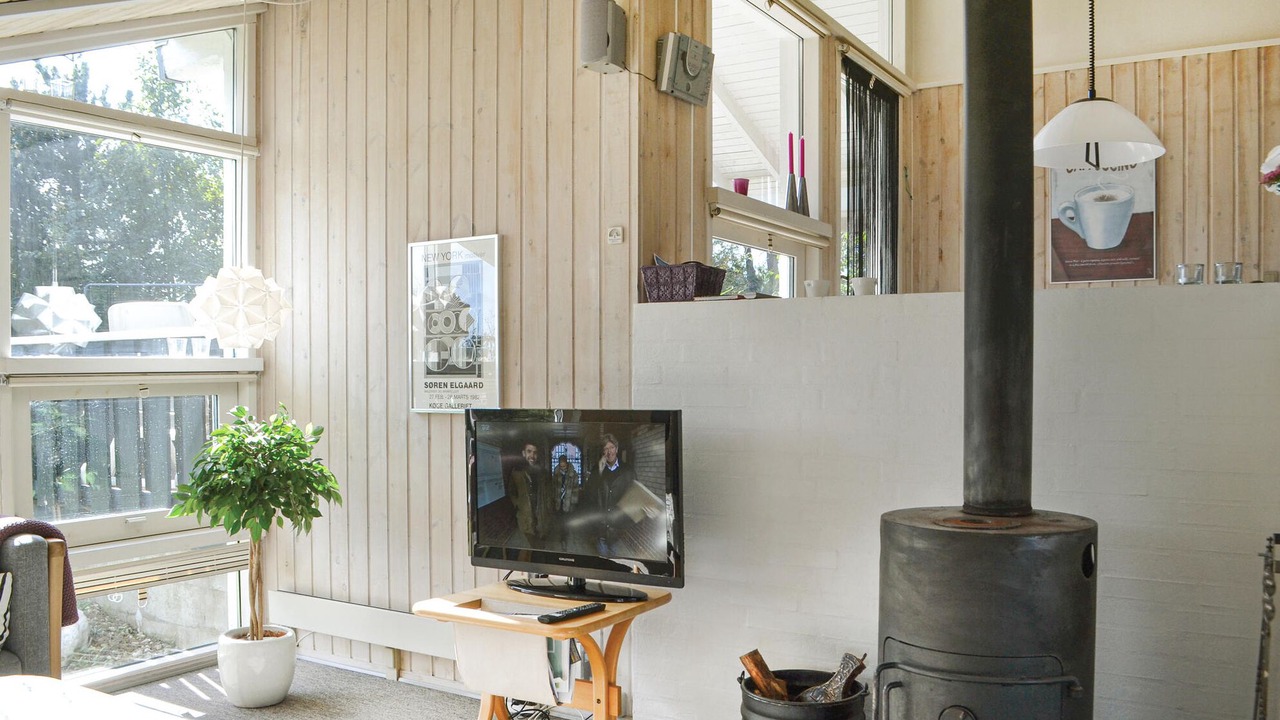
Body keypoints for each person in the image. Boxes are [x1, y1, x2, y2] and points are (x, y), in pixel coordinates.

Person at [587, 434, 639, 556]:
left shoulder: (628, 470)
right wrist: (598, 472)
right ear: (602, 452)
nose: (609, 452)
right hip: (601, 525)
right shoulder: (596, 470)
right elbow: (589, 494)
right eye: (605, 449)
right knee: (603, 561)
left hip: (618, 527)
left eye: (611, 447)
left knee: (615, 560)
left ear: (617, 448)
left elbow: (635, 495)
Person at [507, 441, 549, 542]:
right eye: (529, 451)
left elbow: (548, 491)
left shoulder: (543, 472)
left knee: (542, 537)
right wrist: (518, 504)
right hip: (525, 515)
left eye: (535, 452)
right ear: (523, 453)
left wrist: (548, 506)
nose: (532, 455)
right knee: (531, 538)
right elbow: (511, 491)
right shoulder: (516, 472)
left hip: (541, 513)